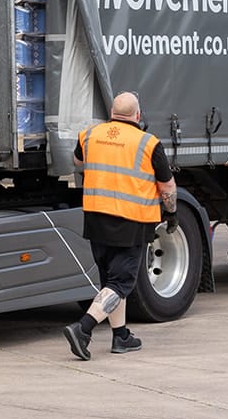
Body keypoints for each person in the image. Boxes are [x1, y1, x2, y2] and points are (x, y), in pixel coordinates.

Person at [63, 91, 177, 360]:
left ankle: (121, 336)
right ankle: (83, 329)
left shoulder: (90, 135)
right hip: (131, 220)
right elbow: (167, 185)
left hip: (96, 218)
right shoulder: (148, 143)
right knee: (121, 283)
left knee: (110, 283)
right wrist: (171, 213)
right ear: (138, 115)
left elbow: (78, 162)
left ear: (112, 113)